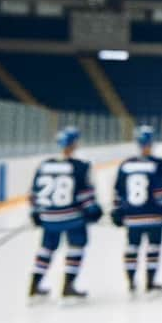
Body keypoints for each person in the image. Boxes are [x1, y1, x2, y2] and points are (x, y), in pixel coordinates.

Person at [28, 126, 103, 300]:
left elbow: (34, 193)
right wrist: (94, 210)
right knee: (76, 247)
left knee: (46, 250)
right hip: (73, 217)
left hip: (49, 217)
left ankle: (34, 284)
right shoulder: (81, 167)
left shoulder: (45, 165)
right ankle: (68, 285)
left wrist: (35, 212)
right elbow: (85, 195)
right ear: (75, 143)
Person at [111, 124, 162, 293]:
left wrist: (118, 210)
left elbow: (119, 190)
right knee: (153, 248)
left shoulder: (126, 164)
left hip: (132, 216)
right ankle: (150, 281)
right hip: (153, 215)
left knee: (132, 247)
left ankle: (131, 281)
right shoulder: (159, 164)